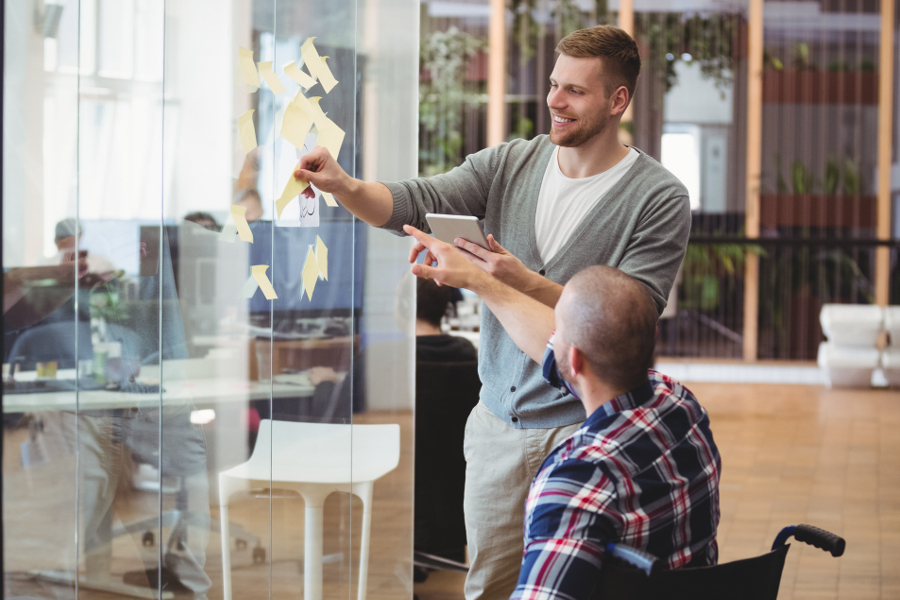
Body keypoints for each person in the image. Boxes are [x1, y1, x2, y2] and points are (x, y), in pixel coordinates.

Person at [294, 24, 691, 599]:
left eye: (575, 91)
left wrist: (513, 280)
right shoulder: (511, 164)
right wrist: (344, 184)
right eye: (554, 84)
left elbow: (629, 321)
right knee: (489, 588)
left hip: (584, 429)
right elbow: (414, 199)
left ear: (617, 100)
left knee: (579, 589)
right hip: (497, 428)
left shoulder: (658, 197)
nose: (555, 100)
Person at [404, 226, 721, 599]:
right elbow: (566, 350)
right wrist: (488, 281)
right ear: (651, 336)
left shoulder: (577, 478)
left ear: (572, 358)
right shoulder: (682, 406)